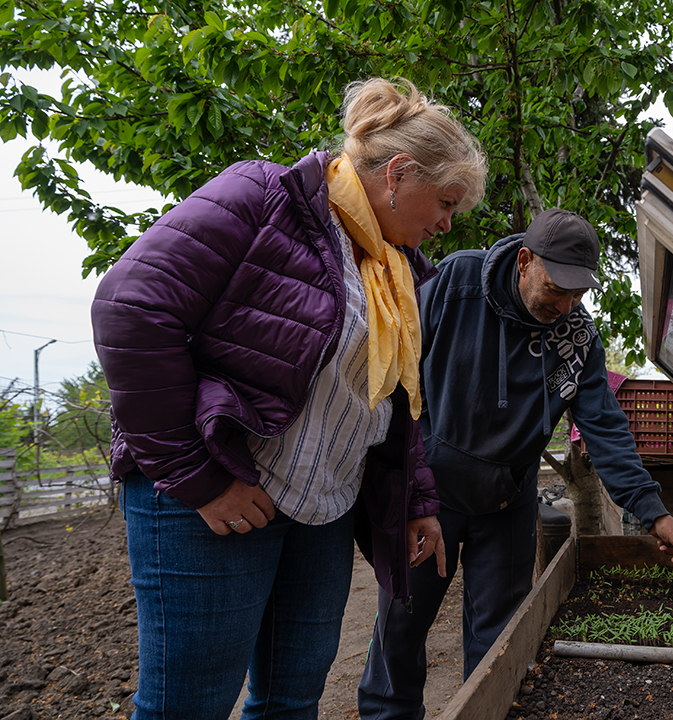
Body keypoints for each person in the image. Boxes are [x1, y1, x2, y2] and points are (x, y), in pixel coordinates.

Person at [91, 77, 486, 720]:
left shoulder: (397, 269)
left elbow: (387, 404)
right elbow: (131, 309)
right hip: (218, 494)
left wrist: (417, 501)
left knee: (293, 700)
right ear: (398, 172)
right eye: (444, 202)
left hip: (321, 505)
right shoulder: (262, 198)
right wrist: (201, 478)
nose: (445, 223)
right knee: (186, 706)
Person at [358, 208, 673, 719]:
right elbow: (399, 374)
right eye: (556, 289)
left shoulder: (577, 339)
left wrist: (653, 512)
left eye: (578, 294)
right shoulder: (457, 282)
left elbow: (605, 427)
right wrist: (409, 487)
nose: (566, 306)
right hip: (427, 490)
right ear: (525, 261)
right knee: (401, 625)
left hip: (505, 500)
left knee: (501, 641)